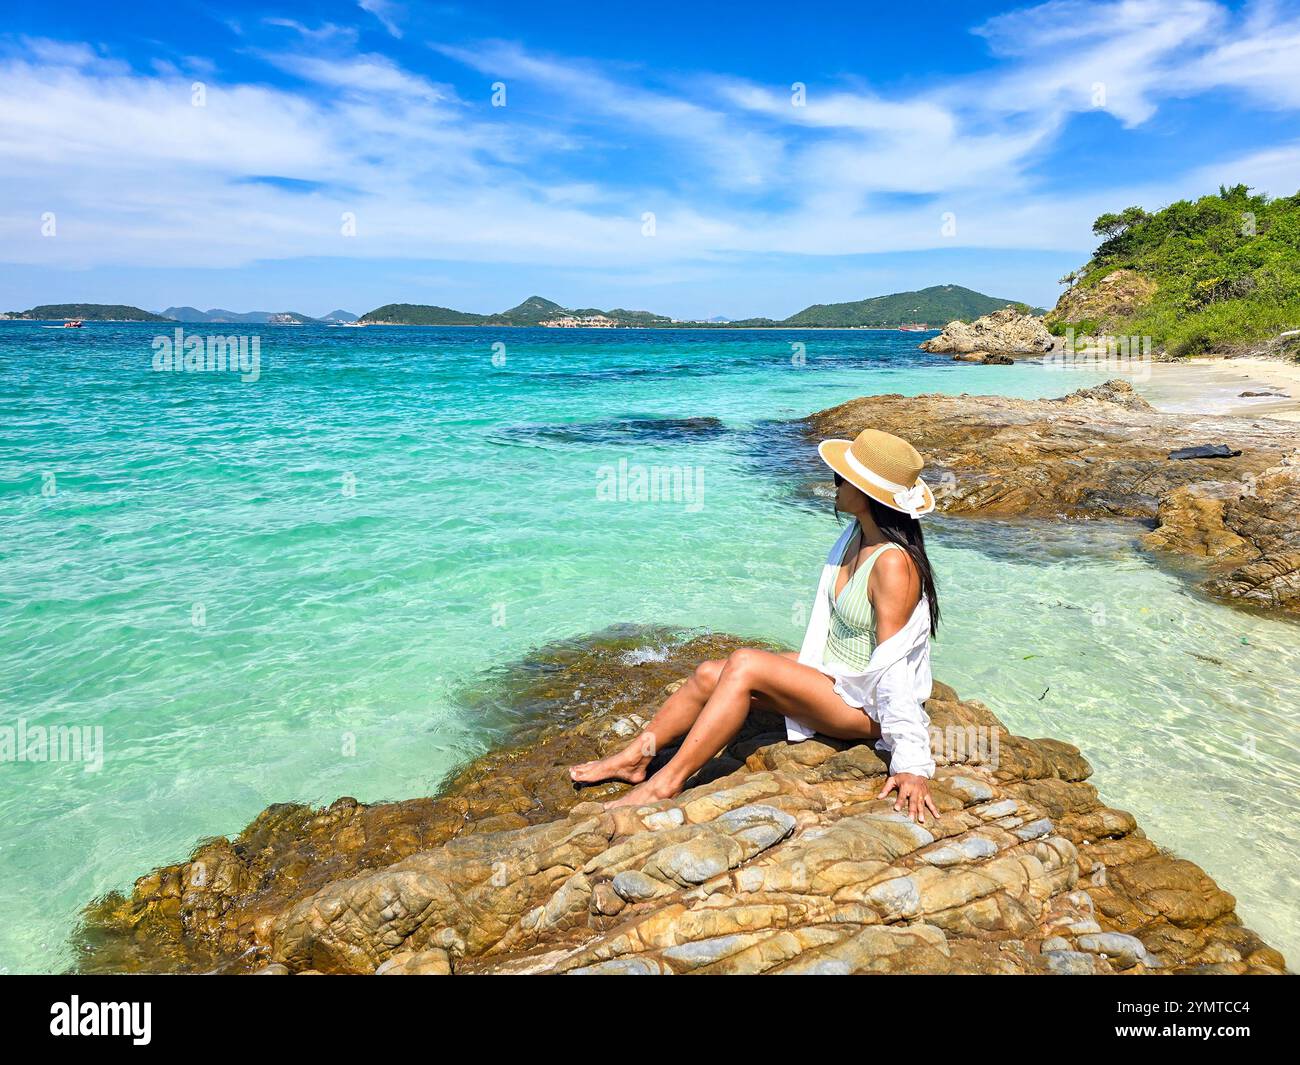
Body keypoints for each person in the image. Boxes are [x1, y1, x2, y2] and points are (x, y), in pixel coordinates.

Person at [570, 428, 942, 823]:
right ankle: (635, 758)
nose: (832, 485)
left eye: (840, 479)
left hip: (864, 704)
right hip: (834, 673)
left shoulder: (892, 563)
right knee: (711, 673)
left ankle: (666, 783)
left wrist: (912, 764)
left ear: (867, 495)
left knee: (746, 664)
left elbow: (895, 666)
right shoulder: (856, 535)